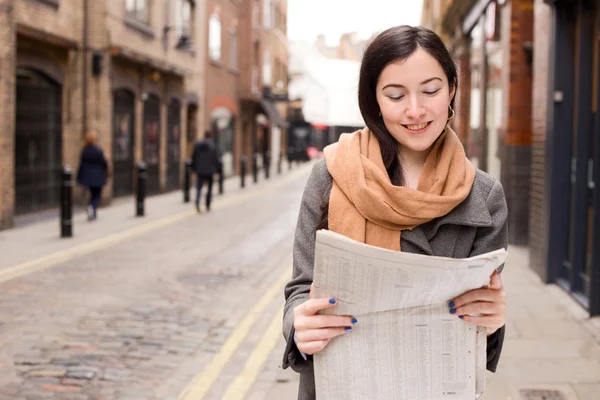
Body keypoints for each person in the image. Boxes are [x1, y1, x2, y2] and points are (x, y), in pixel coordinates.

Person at [282, 25, 508, 400]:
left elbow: (480, 323)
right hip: (340, 385)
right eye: (395, 95)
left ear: (452, 88)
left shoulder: (484, 196)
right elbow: (299, 290)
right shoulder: (331, 174)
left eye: (431, 90)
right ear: (374, 100)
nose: (415, 110)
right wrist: (299, 325)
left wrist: (493, 320)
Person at [76, 131, 109, 221]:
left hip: (88, 176)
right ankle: (92, 207)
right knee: (97, 195)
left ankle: (93, 212)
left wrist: (79, 176)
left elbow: (81, 164)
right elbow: (104, 163)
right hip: (98, 176)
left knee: (92, 194)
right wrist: (107, 172)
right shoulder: (98, 150)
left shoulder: (84, 151)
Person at [191, 130, 221, 213]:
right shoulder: (213, 146)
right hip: (210, 170)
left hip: (200, 170)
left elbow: (194, 157)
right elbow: (217, 159)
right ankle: (207, 204)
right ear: (211, 136)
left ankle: (197, 200)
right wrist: (218, 170)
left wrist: (193, 169)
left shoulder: (198, 145)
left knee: (199, 187)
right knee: (210, 188)